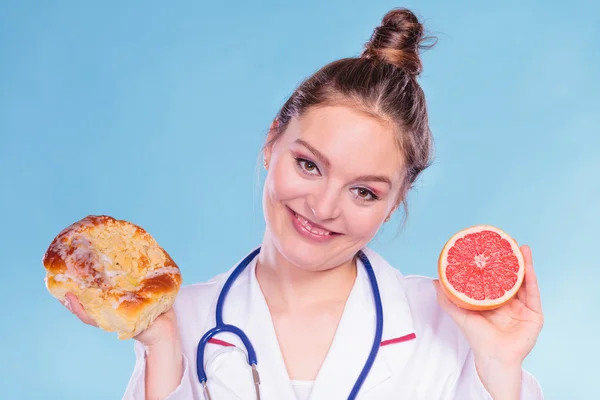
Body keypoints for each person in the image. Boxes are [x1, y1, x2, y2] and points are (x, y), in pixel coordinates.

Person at [65, 8, 544, 400]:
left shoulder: (452, 329)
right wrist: (164, 348)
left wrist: (501, 369)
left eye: (364, 191)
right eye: (309, 165)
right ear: (273, 141)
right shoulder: (184, 320)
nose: (323, 206)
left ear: (396, 200)